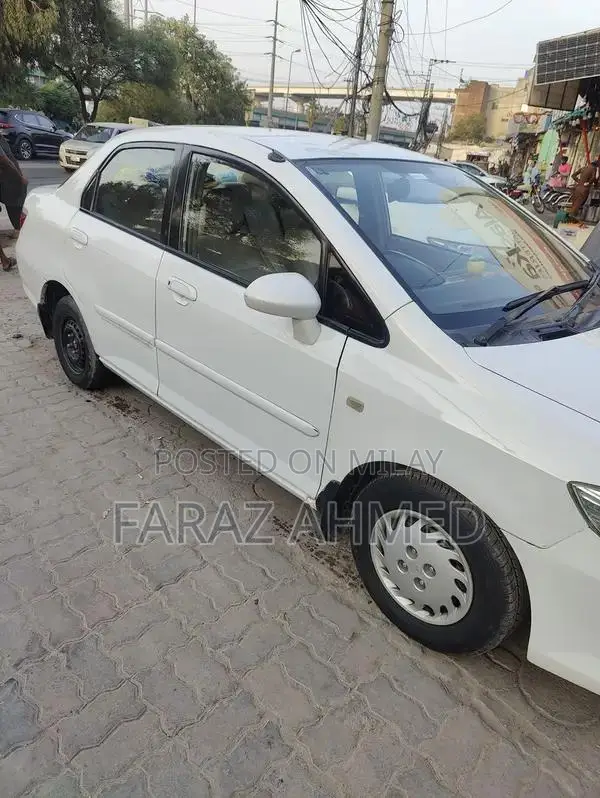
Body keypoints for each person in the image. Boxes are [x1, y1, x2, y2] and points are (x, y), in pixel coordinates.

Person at [0, 134, 28, 271]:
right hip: (9, 184)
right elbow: (4, 160)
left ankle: (5, 260)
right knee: (19, 217)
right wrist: (19, 177)